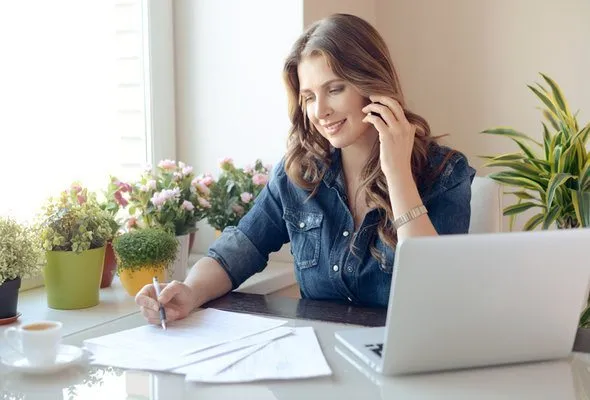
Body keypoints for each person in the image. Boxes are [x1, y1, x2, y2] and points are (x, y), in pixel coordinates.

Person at [136, 13, 475, 324]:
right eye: (310, 96)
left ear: (372, 85)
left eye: (335, 89)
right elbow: (240, 248)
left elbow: (436, 291)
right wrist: (190, 291)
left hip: (404, 360)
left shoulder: (444, 172)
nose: (321, 111)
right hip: (319, 358)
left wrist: (397, 171)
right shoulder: (300, 172)